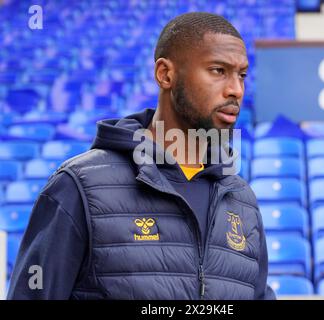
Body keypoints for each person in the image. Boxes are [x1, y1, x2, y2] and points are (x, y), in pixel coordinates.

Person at [7, 12, 275, 300]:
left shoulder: (241, 200)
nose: (236, 89)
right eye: (218, 70)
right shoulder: (79, 187)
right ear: (165, 74)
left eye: (242, 75)